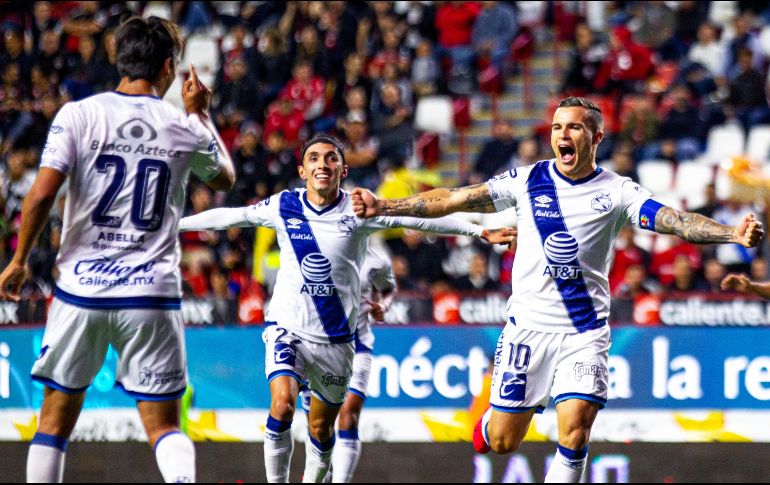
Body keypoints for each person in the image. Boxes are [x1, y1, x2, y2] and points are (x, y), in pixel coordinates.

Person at [351, 96, 764, 483]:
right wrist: (386, 206)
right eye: (557, 127)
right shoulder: (526, 180)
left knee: (576, 429)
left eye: (575, 128)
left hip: (585, 332)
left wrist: (732, 234)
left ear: (596, 138)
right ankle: (489, 422)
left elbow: (673, 220)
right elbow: (454, 198)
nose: (563, 135)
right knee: (502, 441)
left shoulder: (617, 191)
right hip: (528, 330)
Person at [177, 134, 515, 483]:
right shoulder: (283, 206)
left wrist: (478, 232)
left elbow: (422, 220)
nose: (322, 164)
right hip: (288, 328)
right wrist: (176, 225)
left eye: (330, 158)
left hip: (337, 341)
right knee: (282, 405)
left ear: (343, 169)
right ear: (302, 170)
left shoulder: (360, 210)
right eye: (313, 158)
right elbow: (234, 216)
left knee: (321, 430)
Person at [0, 16, 235, 483]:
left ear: (116, 60)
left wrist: (19, 260)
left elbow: (43, 193)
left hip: (81, 291)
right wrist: (200, 113)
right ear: (169, 67)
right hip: (151, 294)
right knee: (164, 426)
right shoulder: (183, 125)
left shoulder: (79, 114)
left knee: (53, 422)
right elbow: (224, 178)